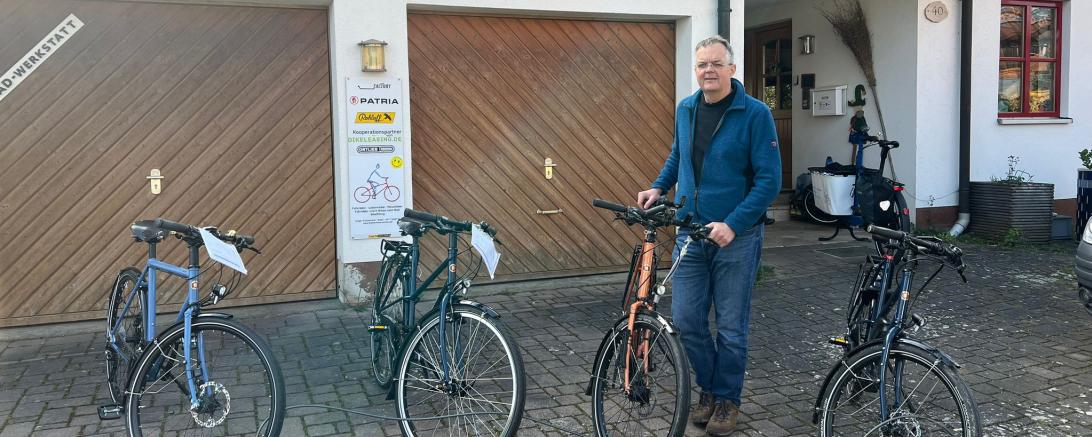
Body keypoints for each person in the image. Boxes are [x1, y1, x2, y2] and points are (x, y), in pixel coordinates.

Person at [636, 35, 781, 436]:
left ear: (733, 69)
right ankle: (709, 390)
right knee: (685, 319)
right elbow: (678, 155)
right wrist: (659, 187)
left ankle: (727, 400)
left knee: (732, 327)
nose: (709, 71)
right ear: (695, 70)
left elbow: (770, 181)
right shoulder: (686, 109)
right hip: (691, 233)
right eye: (702, 64)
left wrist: (733, 223)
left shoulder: (754, 114)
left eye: (717, 63)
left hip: (737, 236)